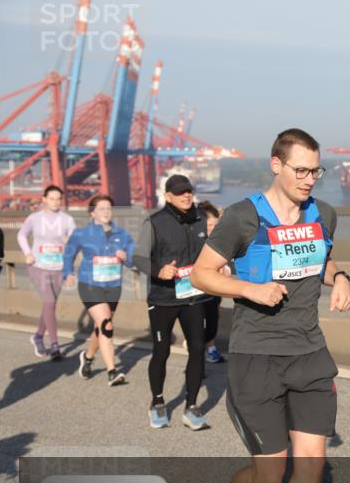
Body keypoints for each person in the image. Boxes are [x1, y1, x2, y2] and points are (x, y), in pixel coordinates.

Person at [189, 128, 350, 483]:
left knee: (311, 467)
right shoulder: (242, 218)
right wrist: (249, 289)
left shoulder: (323, 214)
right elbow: (202, 271)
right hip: (256, 358)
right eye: (300, 170)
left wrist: (339, 276)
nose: (309, 179)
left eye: (315, 171)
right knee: (269, 477)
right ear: (276, 165)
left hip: (309, 355)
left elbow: (322, 256)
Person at [134, 174, 212, 430]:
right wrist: (158, 271)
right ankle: (157, 402)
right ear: (168, 196)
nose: (186, 195)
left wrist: (222, 267)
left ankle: (191, 406)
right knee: (162, 351)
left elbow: (214, 250)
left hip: (194, 296)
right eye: (180, 192)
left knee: (198, 348)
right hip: (163, 298)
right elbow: (139, 258)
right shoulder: (154, 222)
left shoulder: (201, 217)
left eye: (189, 191)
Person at [63, 195, 135, 386]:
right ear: (92, 212)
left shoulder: (122, 234)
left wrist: (125, 257)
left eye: (108, 209)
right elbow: (68, 253)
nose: (106, 212)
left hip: (113, 287)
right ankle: (112, 372)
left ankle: (87, 357)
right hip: (89, 285)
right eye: (101, 208)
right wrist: (68, 273)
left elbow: (132, 260)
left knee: (101, 326)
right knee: (106, 324)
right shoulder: (81, 234)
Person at [17, 185, 76, 360]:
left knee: (49, 305)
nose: (56, 202)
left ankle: (37, 337)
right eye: (52, 198)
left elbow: (74, 244)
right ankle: (55, 346)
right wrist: (27, 253)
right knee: (49, 302)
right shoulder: (34, 218)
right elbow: (21, 235)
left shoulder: (67, 220)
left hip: (58, 267)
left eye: (58, 199)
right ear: (44, 199)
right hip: (38, 265)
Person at [196, 200, 226, 364]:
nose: (212, 229)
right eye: (209, 225)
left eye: (215, 225)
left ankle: (210, 347)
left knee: (213, 316)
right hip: (196, 290)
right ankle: (200, 353)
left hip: (214, 289)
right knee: (199, 321)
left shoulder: (218, 242)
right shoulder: (194, 242)